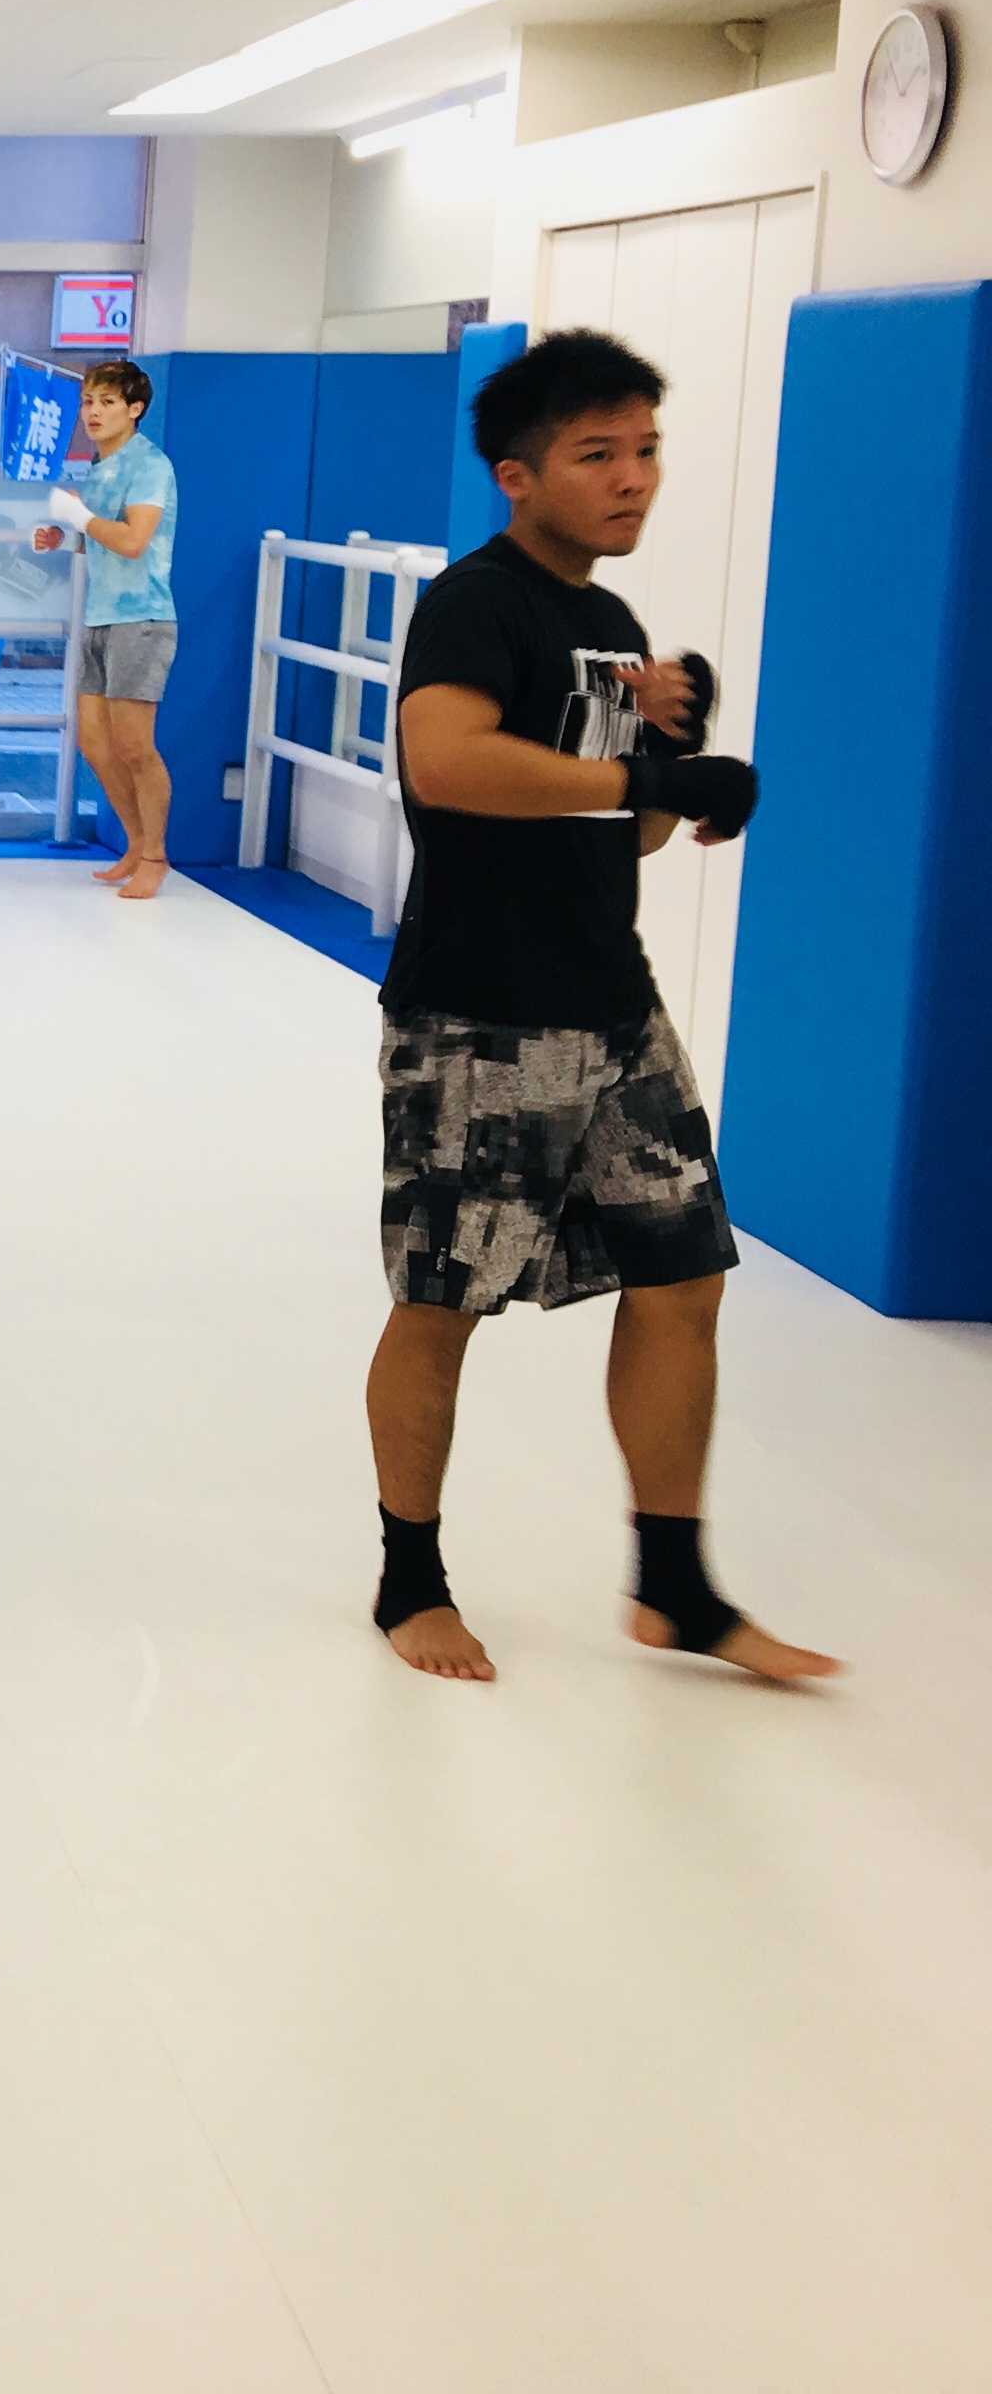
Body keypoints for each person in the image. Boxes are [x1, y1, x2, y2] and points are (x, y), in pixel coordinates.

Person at [357, 329, 834, 1688]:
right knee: (445, 1301)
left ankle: (675, 1586)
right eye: (597, 455)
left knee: (684, 1280)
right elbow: (448, 764)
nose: (634, 479)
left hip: (615, 1009)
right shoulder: (479, 605)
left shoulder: (611, 627)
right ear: (518, 476)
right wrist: (644, 780)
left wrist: (677, 764)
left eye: (647, 451)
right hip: (482, 1021)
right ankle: (409, 1581)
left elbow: (622, 829)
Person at [30, 357, 177, 898]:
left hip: (141, 619)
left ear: (134, 409)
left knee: (136, 746)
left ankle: (155, 855)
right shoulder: (101, 468)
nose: (93, 412)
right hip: (100, 617)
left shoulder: (149, 464)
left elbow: (134, 542)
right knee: (94, 742)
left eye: (107, 402)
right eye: (88, 401)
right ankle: (136, 845)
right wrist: (65, 538)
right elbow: (103, 539)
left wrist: (79, 519)